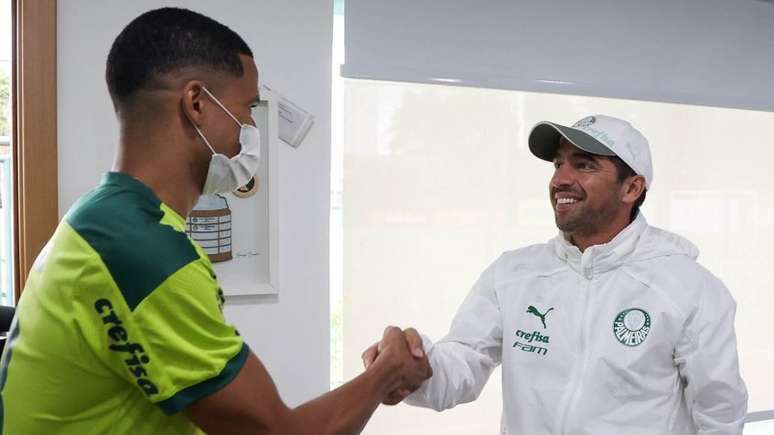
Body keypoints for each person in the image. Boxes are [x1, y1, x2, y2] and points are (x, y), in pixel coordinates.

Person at [0, 7, 431, 435]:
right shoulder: (142, 255)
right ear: (197, 103)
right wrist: (385, 372)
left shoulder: (103, 217)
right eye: (246, 110)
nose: (247, 127)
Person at [363, 114, 748, 434]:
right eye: (558, 164)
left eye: (584, 164)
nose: (561, 179)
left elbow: (719, 414)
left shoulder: (689, 289)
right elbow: (463, 361)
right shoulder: (513, 274)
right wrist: (417, 367)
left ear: (631, 187)